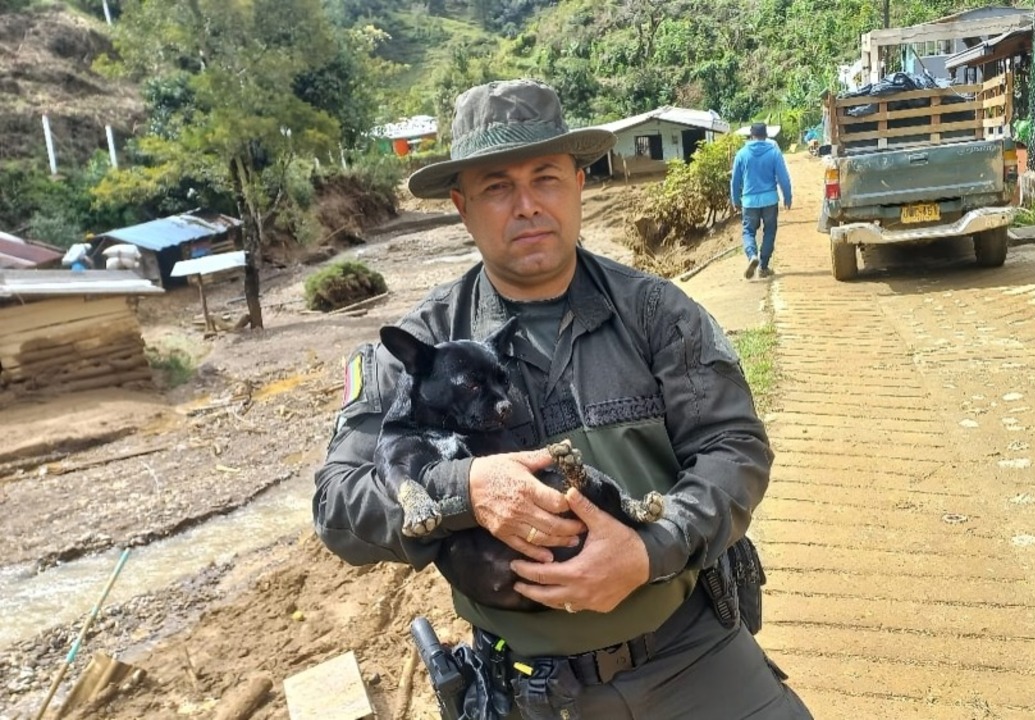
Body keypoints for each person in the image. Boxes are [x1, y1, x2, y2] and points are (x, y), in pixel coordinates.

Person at [314, 79, 812, 720]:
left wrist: (648, 548)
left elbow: (734, 447)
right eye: (497, 187)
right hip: (530, 688)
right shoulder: (421, 350)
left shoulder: (657, 313)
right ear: (462, 207)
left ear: (579, 182)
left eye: (545, 177)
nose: (526, 205)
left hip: (692, 653)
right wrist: (462, 489)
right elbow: (337, 505)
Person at [730, 123, 793, 280]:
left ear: (751, 135)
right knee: (770, 231)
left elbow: (735, 181)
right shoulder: (774, 152)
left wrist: (735, 200)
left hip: (749, 201)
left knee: (748, 231)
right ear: (766, 135)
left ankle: (752, 255)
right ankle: (763, 266)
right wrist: (788, 196)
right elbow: (783, 177)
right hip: (770, 200)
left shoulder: (742, 154)